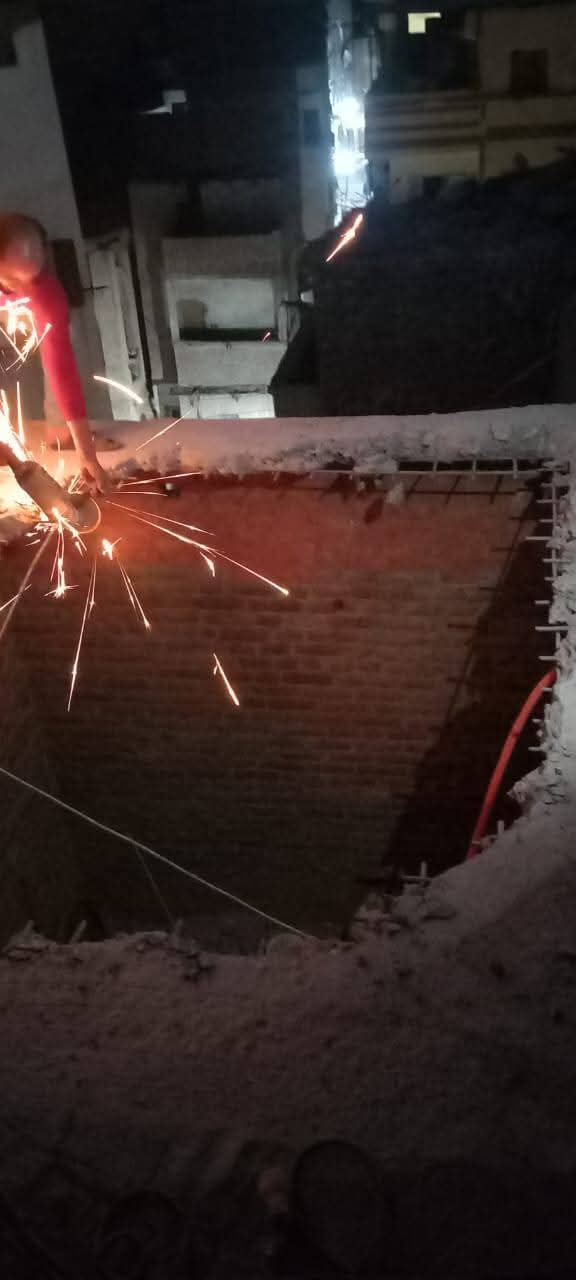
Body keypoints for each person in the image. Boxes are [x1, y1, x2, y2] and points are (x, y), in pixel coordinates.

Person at [0, 212, 109, 494]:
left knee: (62, 345)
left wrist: (87, 455)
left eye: (31, 277)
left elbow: (61, 369)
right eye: (12, 279)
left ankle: (61, 434)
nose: (25, 290)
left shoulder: (45, 293)